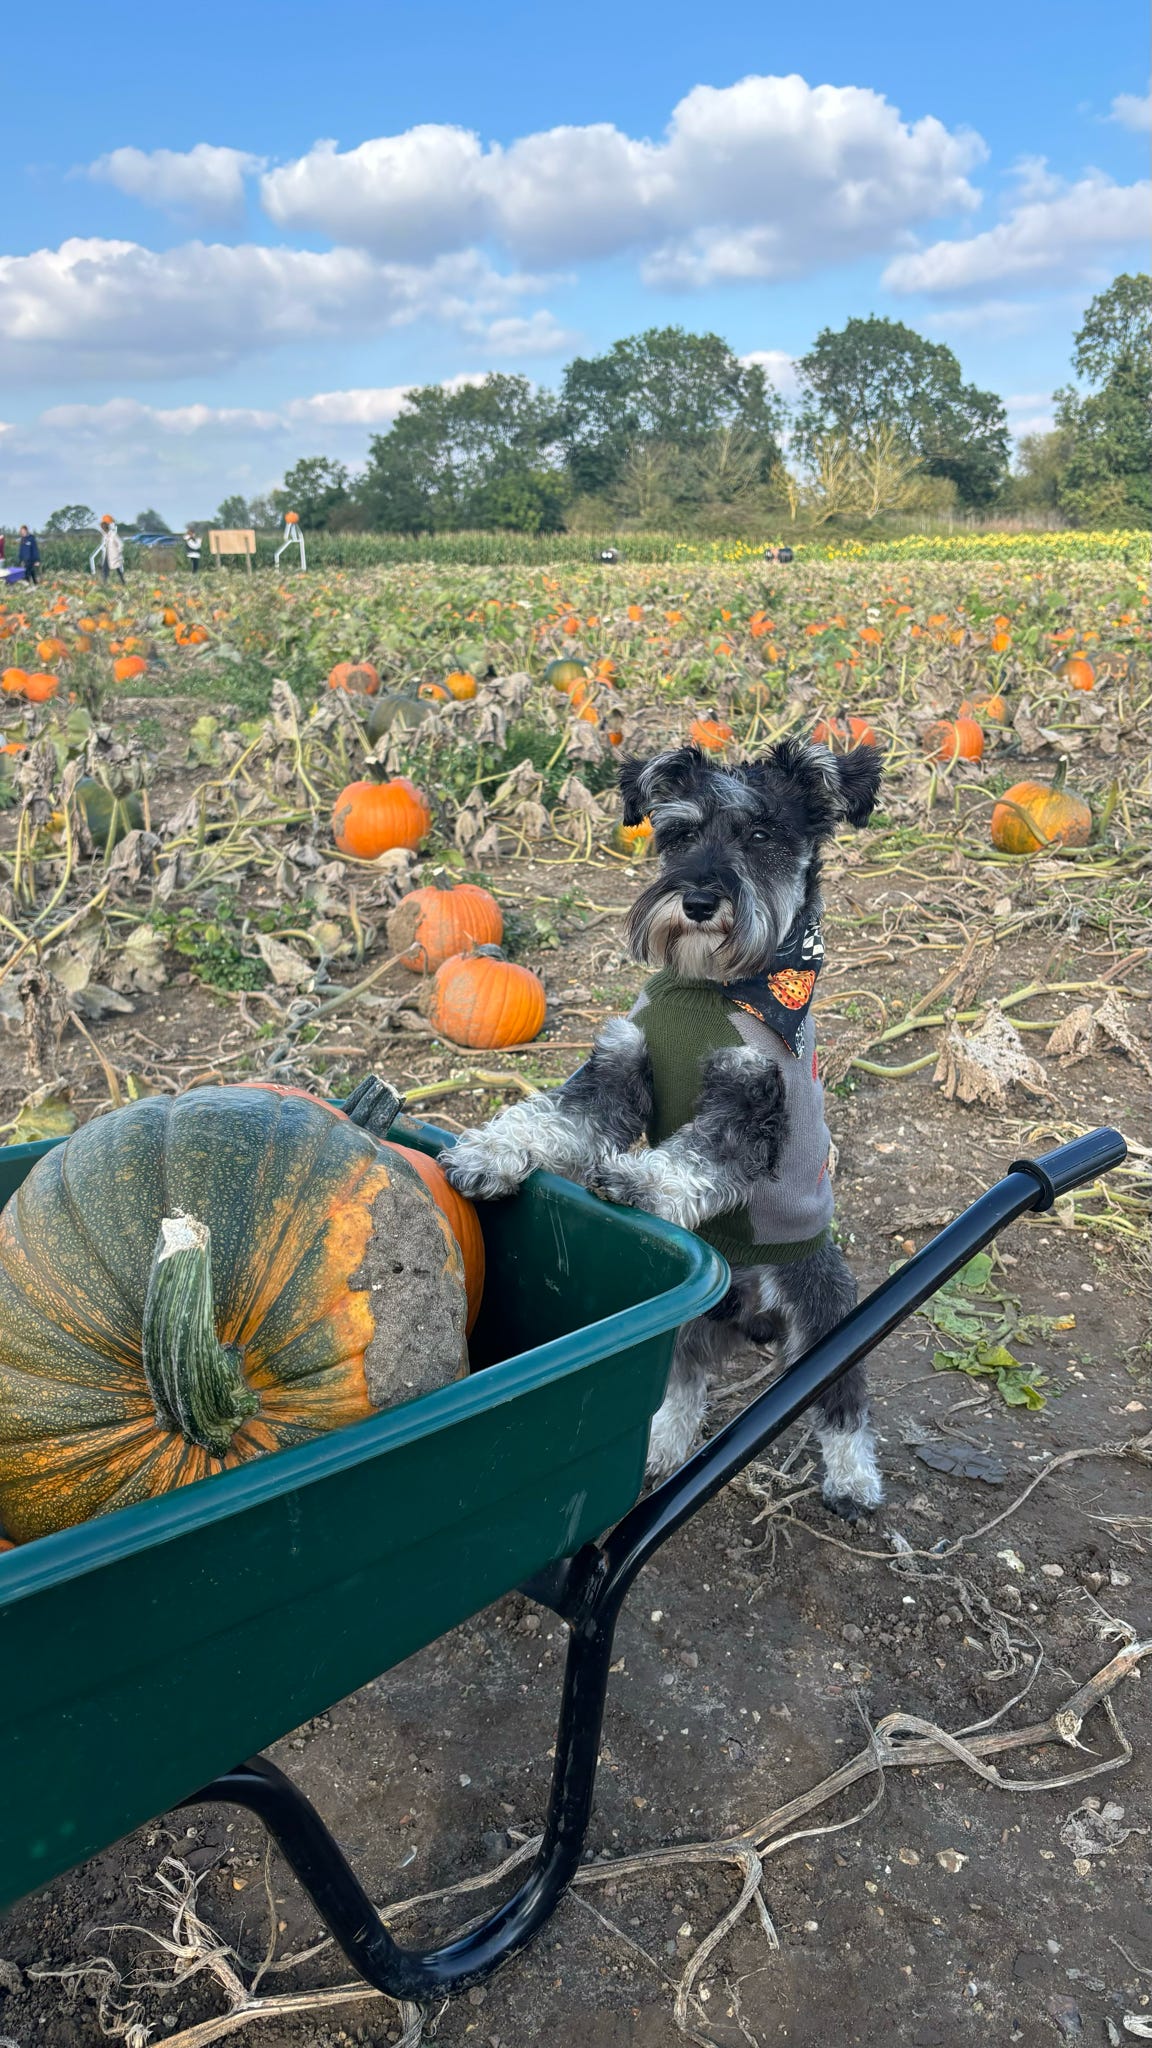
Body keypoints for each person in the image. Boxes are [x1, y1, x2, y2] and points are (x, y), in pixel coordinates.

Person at [100, 515, 125, 585]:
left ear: (107, 527)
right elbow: (104, 545)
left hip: (114, 554)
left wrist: (118, 552)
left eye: (104, 527)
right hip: (107, 554)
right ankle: (104, 582)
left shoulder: (113, 534)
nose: (103, 529)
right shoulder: (105, 536)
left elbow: (120, 544)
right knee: (105, 569)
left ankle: (123, 581)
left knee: (118, 569)